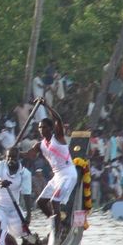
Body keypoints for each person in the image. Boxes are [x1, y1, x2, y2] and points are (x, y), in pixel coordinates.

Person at [19, 99, 78, 234]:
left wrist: (46, 106)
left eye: (44, 127)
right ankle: (57, 223)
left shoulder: (58, 136)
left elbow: (58, 119)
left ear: (51, 128)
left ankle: (57, 231)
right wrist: (14, 153)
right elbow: (29, 155)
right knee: (40, 203)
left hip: (68, 173)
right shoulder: (39, 145)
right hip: (57, 176)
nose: (41, 130)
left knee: (54, 202)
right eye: (40, 127)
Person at [0, 147, 33, 238]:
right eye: (8, 157)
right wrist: (0, 182)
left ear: (19, 158)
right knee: (0, 231)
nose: (10, 160)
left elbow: (26, 195)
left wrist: (29, 214)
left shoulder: (25, 174)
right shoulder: (1, 165)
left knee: (24, 232)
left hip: (14, 207)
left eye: (13, 157)